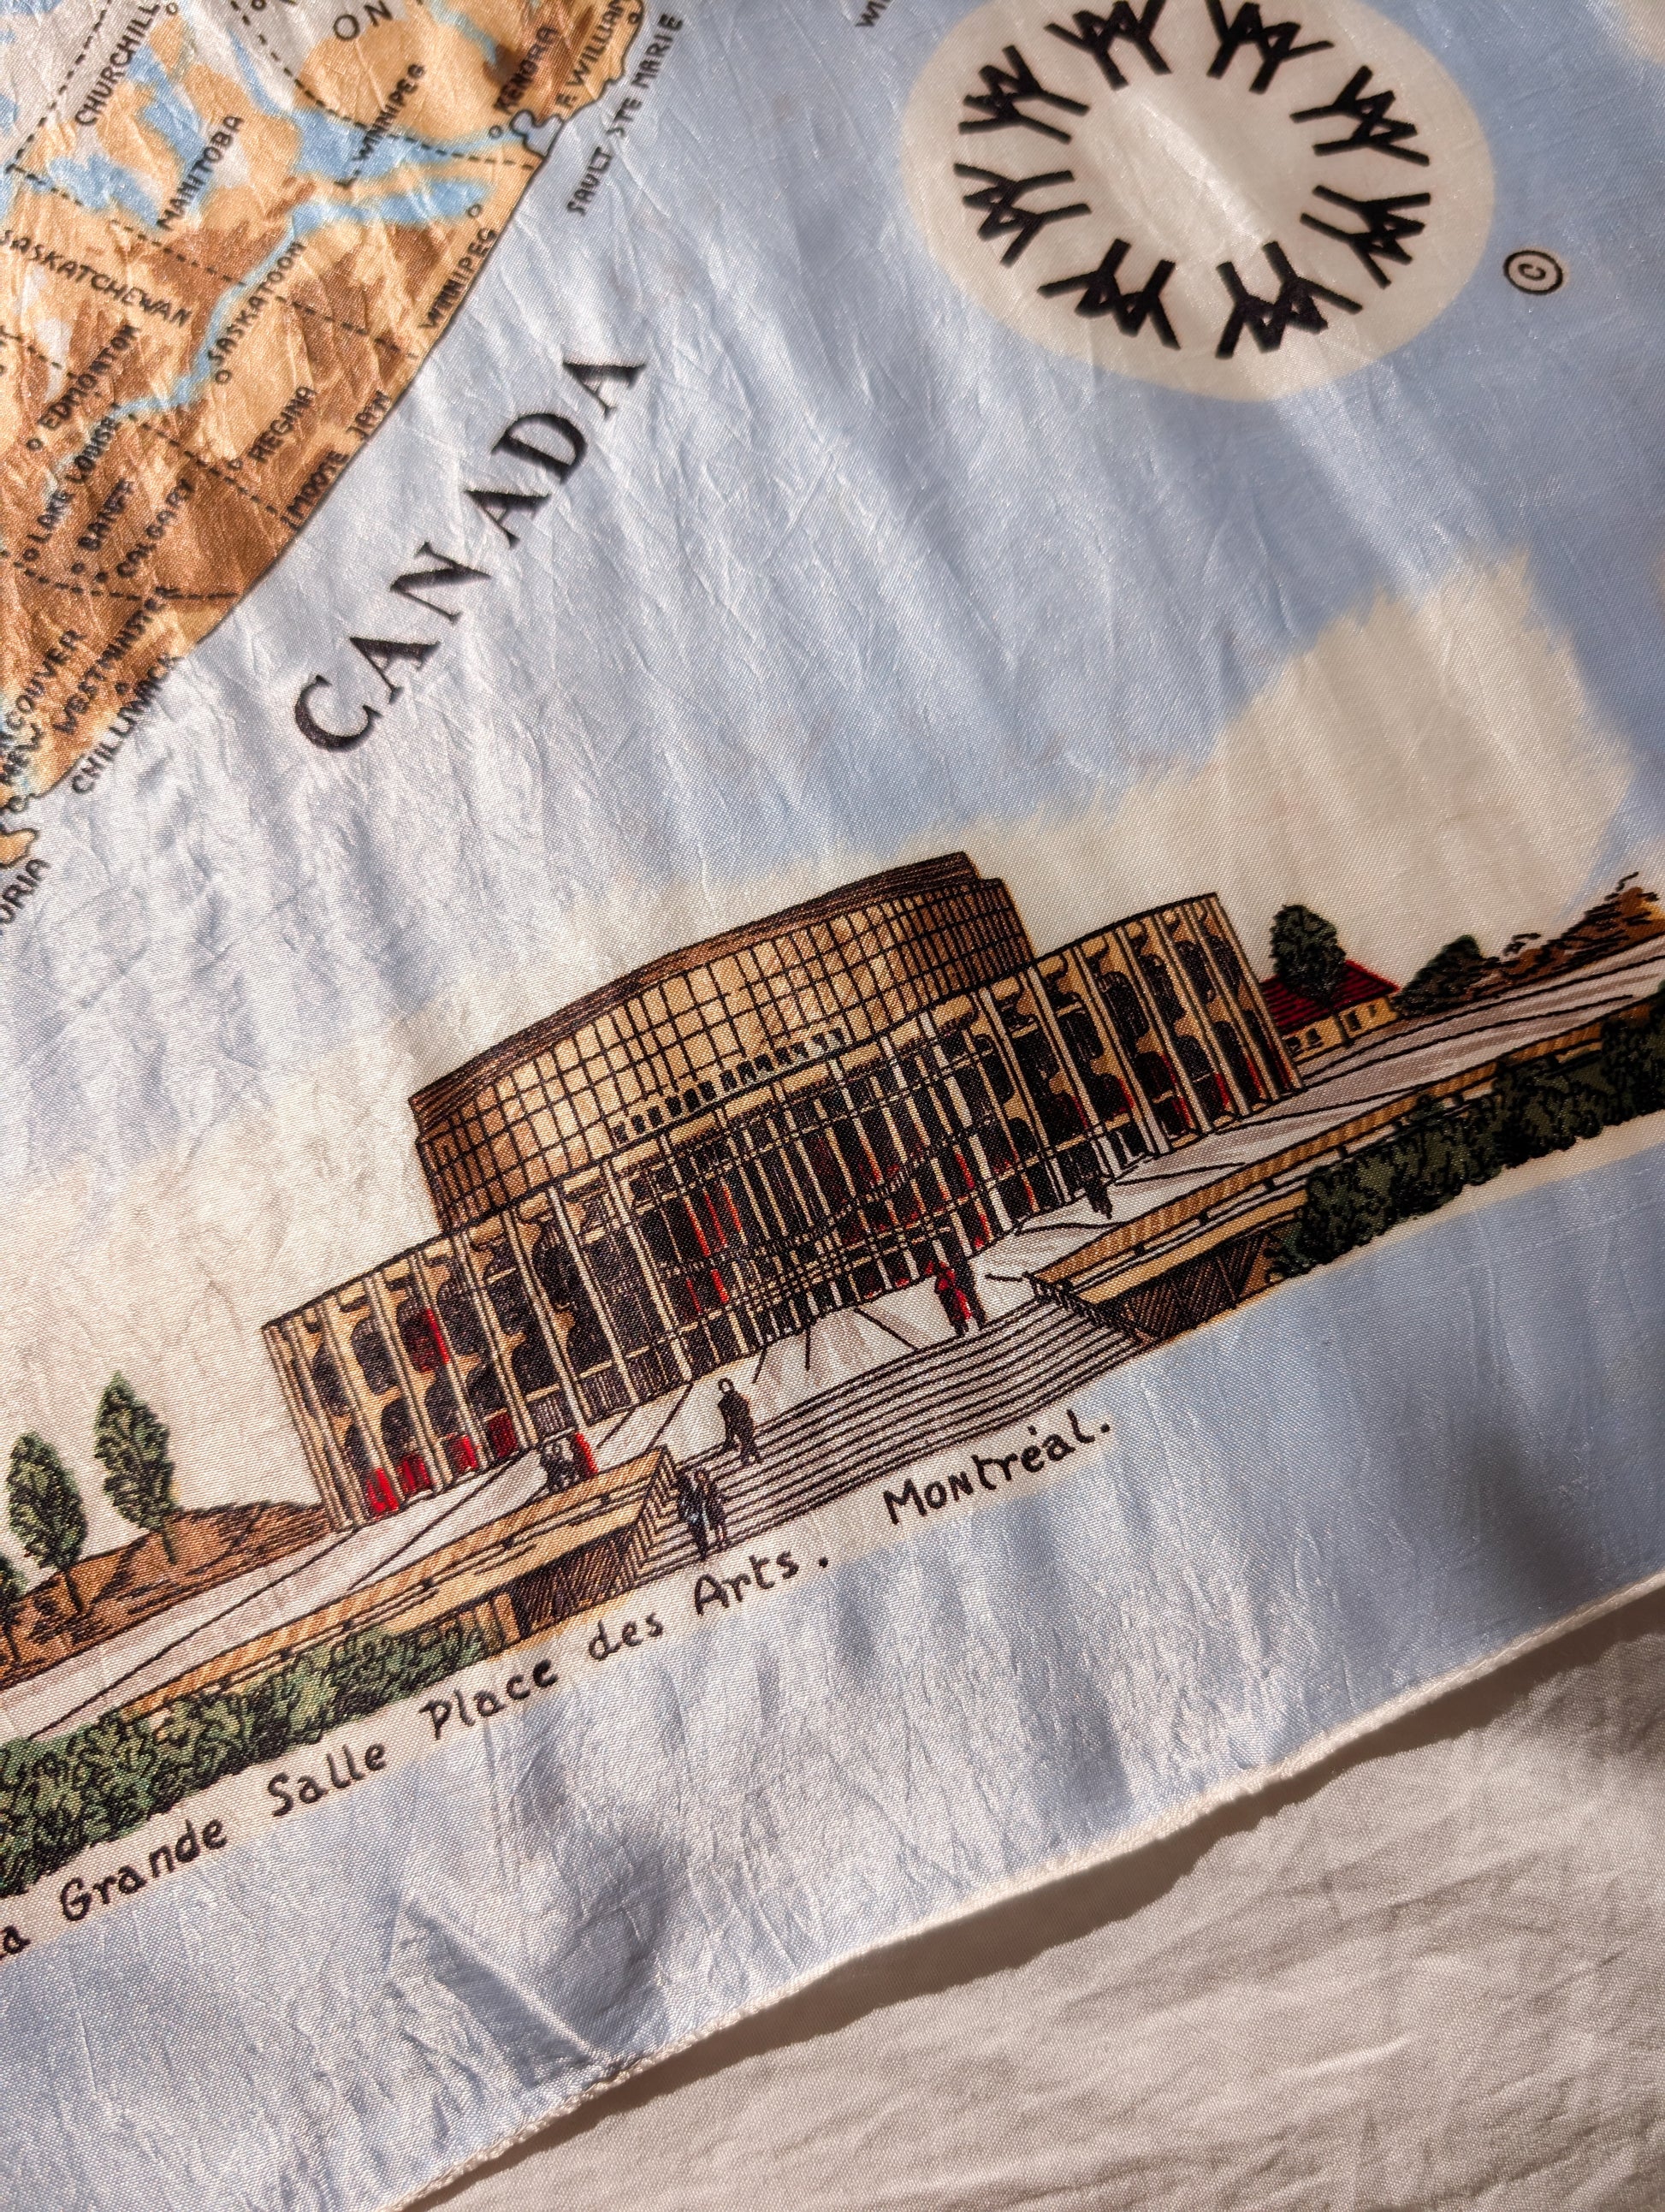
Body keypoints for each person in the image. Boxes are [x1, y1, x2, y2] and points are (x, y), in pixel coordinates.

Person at [716, 1375, 761, 1465]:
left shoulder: (724, 1403)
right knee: (748, 1440)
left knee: (748, 1440)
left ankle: (754, 1457)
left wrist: (730, 1432)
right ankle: (752, 1457)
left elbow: (727, 1420)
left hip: (742, 1423)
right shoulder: (737, 1398)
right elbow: (727, 1419)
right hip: (742, 1423)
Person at [933, 1260, 978, 1337]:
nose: (938, 1274)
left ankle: (962, 1327)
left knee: (956, 1311)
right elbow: (937, 1290)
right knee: (954, 1313)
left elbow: (939, 1288)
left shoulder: (946, 1277)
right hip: (946, 1296)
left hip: (950, 1294)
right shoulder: (943, 1278)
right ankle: (960, 1329)